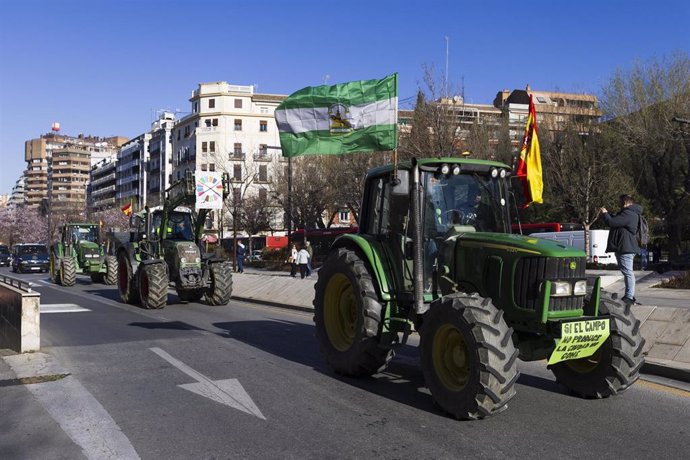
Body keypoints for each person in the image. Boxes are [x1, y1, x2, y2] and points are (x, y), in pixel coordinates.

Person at [601, 194, 643, 304]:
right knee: (627, 272)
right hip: (625, 247)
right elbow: (616, 220)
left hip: (626, 248)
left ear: (625, 203)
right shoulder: (630, 213)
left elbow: (611, 222)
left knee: (628, 272)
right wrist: (609, 215)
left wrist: (605, 214)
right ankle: (629, 296)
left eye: (619, 202)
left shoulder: (628, 213)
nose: (618, 204)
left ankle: (629, 297)